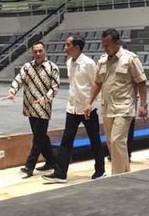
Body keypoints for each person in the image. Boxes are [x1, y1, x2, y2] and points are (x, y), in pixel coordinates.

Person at [84, 29, 147, 175]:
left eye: (108, 45)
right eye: (103, 45)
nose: (105, 48)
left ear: (117, 43)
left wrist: (143, 105)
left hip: (125, 106)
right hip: (107, 107)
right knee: (112, 143)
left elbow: (141, 82)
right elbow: (97, 83)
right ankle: (126, 173)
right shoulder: (102, 60)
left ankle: (116, 176)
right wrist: (89, 102)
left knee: (118, 140)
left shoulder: (130, 59)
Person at [42, 35, 105, 183]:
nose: (65, 47)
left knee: (94, 139)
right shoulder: (69, 62)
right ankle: (60, 173)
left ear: (77, 47)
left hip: (88, 109)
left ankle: (100, 170)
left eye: (68, 45)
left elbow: (97, 84)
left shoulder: (89, 63)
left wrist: (91, 103)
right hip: (72, 108)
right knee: (66, 140)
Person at [2, 42, 60, 178]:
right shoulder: (27, 67)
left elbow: (55, 87)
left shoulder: (52, 67)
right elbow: (18, 80)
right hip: (29, 108)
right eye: (35, 51)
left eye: (40, 51)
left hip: (43, 108)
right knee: (41, 137)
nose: (38, 54)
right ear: (32, 53)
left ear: (44, 51)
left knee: (38, 138)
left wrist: (45, 98)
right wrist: (12, 92)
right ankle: (51, 161)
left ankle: (29, 166)